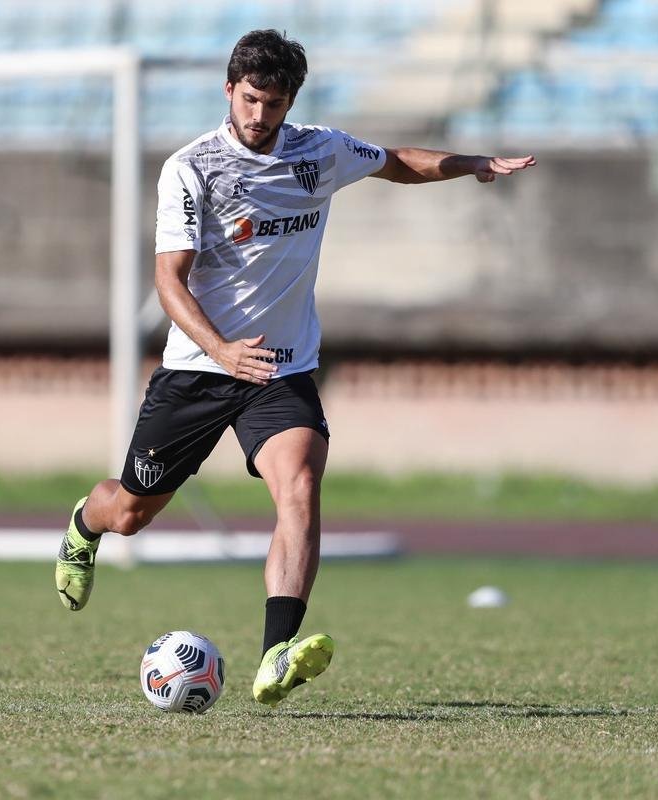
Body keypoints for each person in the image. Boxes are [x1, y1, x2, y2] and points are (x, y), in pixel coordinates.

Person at [55, 29, 536, 707]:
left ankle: (277, 651)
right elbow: (169, 282)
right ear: (229, 90)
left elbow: (395, 162)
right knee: (131, 512)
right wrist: (221, 350)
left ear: (290, 102)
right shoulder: (191, 169)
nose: (259, 115)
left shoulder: (320, 151)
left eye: (273, 103)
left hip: (280, 371)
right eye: (250, 99)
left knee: (301, 484)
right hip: (199, 366)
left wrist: (472, 162)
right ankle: (83, 525)